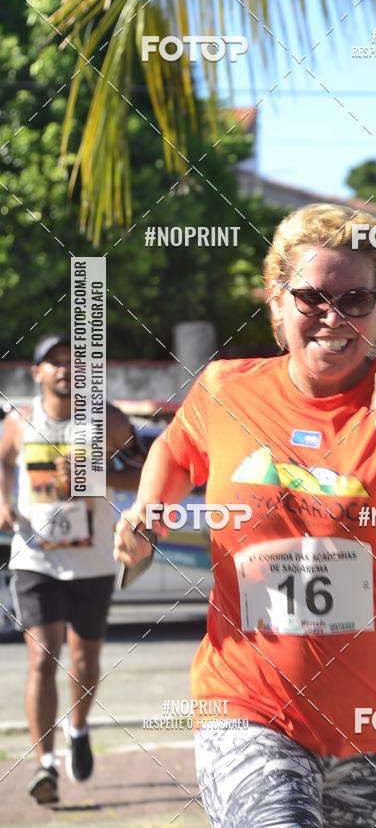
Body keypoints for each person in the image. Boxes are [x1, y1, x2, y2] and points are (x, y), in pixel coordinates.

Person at [114, 204, 376, 828]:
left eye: (356, 299)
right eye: (312, 296)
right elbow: (173, 450)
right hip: (246, 707)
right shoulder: (225, 389)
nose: (334, 317)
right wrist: (145, 514)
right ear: (276, 301)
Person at [0, 334, 144, 804]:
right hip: (35, 557)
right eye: (53, 363)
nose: (65, 369)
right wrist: (3, 499)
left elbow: (148, 471)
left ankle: (79, 729)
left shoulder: (107, 419)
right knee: (43, 657)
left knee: (83, 660)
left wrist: (99, 478)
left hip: (93, 560)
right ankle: (45, 764)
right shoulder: (19, 422)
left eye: (73, 362)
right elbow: (3, 461)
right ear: (36, 373)